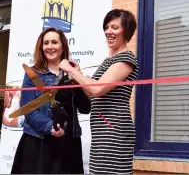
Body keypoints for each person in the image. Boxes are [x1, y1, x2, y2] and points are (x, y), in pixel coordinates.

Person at [59, 9, 139, 174]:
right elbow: (90, 93)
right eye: (107, 27)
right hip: (101, 129)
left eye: (115, 27)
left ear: (127, 30)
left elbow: (97, 89)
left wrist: (72, 71)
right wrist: (79, 76)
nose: (109, 31)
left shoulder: (126, 59)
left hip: (114, 129)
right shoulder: (108, 61)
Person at [11, 27, 90, 174]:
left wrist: (75, 77)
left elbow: (85, 108)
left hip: (68, 145)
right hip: (38, 143)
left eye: (54, 42)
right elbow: (29, 110)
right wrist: (50, 127)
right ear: (41, 47)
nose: (49, 46)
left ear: (63, 46)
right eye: (46, 43)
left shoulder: (72, 72)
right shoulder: (33, 74)